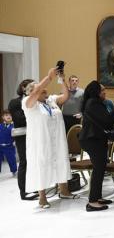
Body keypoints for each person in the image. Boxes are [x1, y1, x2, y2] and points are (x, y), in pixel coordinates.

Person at [23, 68, 79, 209]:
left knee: (60, 162)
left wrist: (62, 79)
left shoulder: (51, 101)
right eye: (41, 90)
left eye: (45, 90)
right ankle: (42, 198)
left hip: (57, 139)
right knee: (41, 165)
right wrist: (48, 77)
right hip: (40, 142)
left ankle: (64, 190)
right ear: (32, 92)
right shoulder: (28, 104)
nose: (45, 91)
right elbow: (36, 92)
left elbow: (65, 96)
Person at [80, 81, 114, 212]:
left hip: (95, 139)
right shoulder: (93, 103)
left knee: (100, 168)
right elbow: (108, 121)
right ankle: (92, 202)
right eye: (102, 90)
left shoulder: (94, 102)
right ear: (96, 92)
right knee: (98, 169)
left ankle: (97, 197)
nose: (105, 92)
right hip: (92, 140)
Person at [8, 79, 37, 200]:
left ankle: (33, 187)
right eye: (32, 86)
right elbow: (19, 119)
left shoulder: (35, 100)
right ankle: (23, 192)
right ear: (23, 87)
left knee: (34, 161)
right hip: (22, 135)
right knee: (24, 162)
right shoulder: (14, 102)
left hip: (34, 133)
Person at [0, 110, 17, 176]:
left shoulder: (14, 126)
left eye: (10, 115)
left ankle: (14, 171)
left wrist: (15, 141)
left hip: (9, 146)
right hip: (0, 146)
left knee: (12, 159)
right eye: (6, 115)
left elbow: (16, 135)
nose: (9, 116)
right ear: (3, 117)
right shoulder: (0, 126)